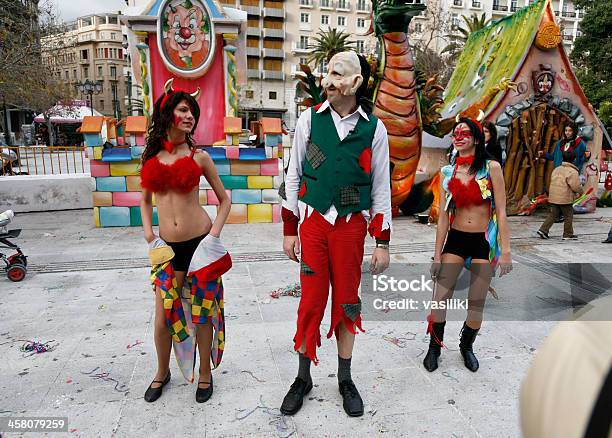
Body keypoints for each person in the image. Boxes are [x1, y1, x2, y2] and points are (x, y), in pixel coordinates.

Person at [279, 51, 392, 417]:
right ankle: (302, 377)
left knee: (347, 300)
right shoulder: (310, 119)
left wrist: (383, 242)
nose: (327, 80)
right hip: (312, 225)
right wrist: (289, 229)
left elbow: (381, 188)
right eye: (326, 72)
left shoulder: (375, 129)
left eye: (337, 74)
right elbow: (293, 174)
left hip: (350, 228)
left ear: (356, 83)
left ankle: (345, 378)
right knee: (310, 300)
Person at [139, 80, 231, 403]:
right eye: (183, 109)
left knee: (203, 314)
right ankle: (161, 372)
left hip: (200, 246)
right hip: (167, 250)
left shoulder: (199, 157)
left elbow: (224, 200)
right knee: (164, 315)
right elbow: (146, 201)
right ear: (167, 114)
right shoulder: (151, 158)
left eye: (192, 111)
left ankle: (205, 375)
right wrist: (150, 235)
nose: (190, 115)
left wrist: (214, 238)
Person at [426, 117, 512, 373]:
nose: (459, 136)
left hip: (482, 242)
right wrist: (436, 255)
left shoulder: (491, 168)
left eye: (465, 132)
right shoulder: (447, 172)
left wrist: (505, 250)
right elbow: (443, 216)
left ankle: (466, 346)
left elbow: (502, 210)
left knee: (476, 303)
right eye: (456, 133)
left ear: (477, 138)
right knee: (440, 298)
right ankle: (434, 346)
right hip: (455, 239)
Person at [537, 150, 583, 240]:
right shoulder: (572, 172)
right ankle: (568, 234)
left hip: (554, 197)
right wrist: (581, 192)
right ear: (574, 160)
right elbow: (575, 186)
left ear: (563, 158)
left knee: (553, 214)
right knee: (568, 215)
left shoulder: (557, 169)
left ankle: (543, 230)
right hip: (565, 198)